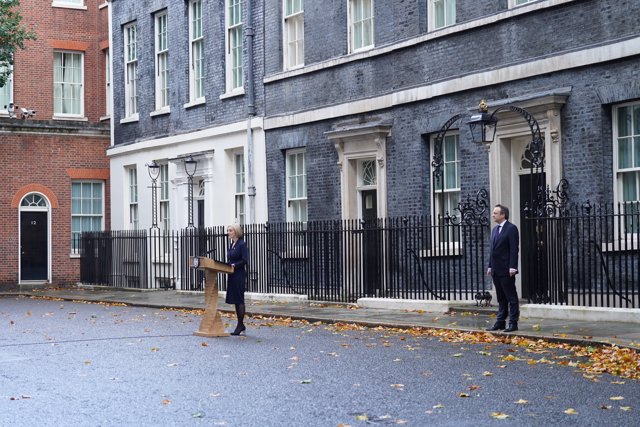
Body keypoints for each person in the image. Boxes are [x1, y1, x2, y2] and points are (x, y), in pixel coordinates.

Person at [486, 204, 520, 333]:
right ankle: (500, 322)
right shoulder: (495, 230)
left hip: (506, 269)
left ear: (503, 215)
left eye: (495, 213)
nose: (493, 215)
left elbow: (514, 249)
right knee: (501, 298)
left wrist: (513, 267)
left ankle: (513, 323)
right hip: (495, 269)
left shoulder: (511, 229)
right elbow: (492, 250)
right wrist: (490, 265)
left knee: (511, 297)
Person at [226, 223, 248, 336]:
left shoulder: (241, 244)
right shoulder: (232, 244)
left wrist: (235, 265)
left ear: (236, 232)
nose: (228, 232)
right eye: (228, 230)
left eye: (230, 230)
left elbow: (245, 260)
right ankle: (240, 324)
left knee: (239, 300)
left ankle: (240, 325)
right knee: (235, 299)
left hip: (239, 274)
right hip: (232, 274)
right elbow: (231, 259)